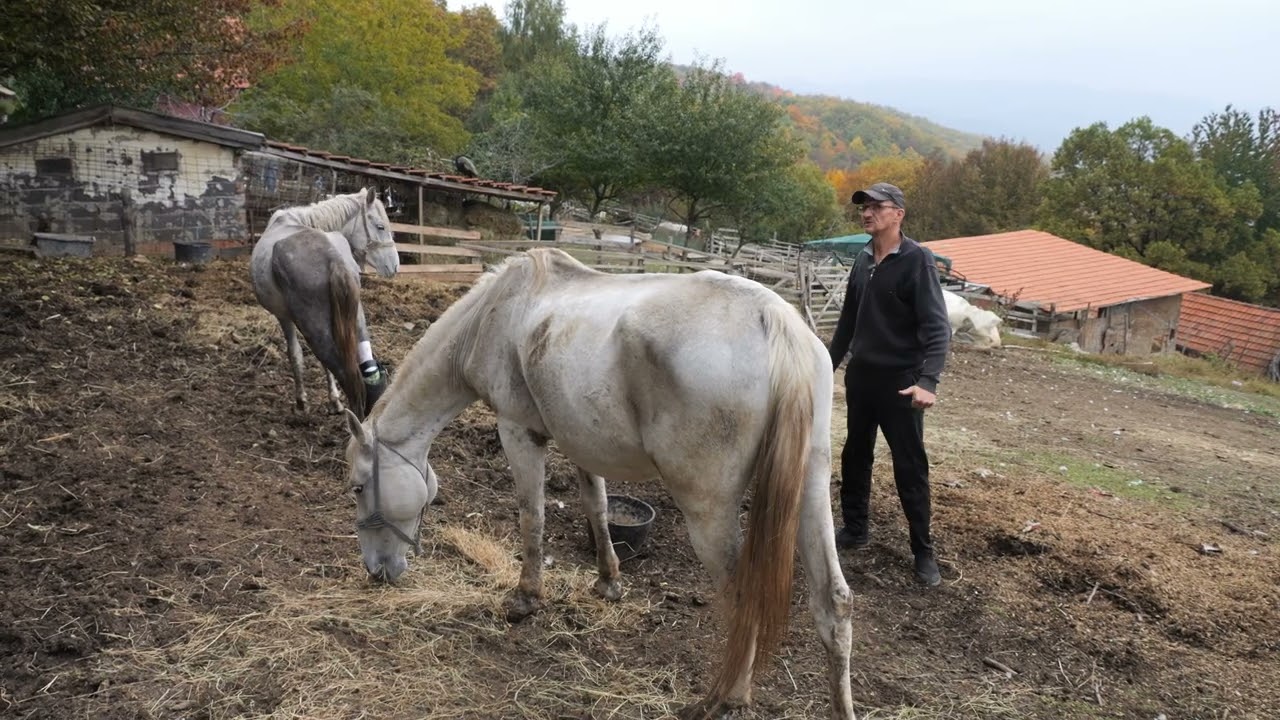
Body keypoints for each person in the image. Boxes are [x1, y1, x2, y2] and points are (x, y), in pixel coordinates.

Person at [828, 182, 951, 587]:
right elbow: (847, 321)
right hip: (862, 377)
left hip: (901, 383)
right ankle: (855, 529)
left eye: (876, 207)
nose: (867, 213)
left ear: (898, 213)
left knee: (909, 466)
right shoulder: (863, 260)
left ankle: (923, 552)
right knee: (855, 455)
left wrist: (927, 381)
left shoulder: (918, 260)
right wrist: (824, 367)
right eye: (863, 207)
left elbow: (937, 326)